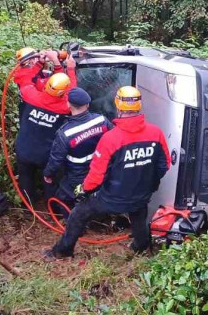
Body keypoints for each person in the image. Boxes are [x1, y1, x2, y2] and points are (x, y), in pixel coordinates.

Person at [45, 86, 170, 259]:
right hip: (141, 195)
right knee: (139, 217)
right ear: (139, 106)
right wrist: (148, 183)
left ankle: (62, 251)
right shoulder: (156, 133)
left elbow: (96, 177)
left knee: (78, 214)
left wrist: (82, 189)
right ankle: (141, 247)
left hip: (111, 198)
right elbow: (164, 165)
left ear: (118, 106)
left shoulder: (111, 139)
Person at [15, 50, 77, 206]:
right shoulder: (64, 107)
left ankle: (28, 205)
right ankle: (54, 208)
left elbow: (24, 79)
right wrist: (65, 68)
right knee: (49, 180)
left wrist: (39, 63)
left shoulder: (31, 96)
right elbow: (73, 93)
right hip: (46, 155)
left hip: (24, 148)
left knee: (25, 177)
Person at [42, 87, 113, 213]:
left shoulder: (65, 133)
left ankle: (73, 225)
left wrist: (48, 175)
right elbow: (114, 140)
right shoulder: (101, 120)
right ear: (87, 104)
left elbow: (56, 160)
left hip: (77, 176)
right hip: (101, 170)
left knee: (62, 198)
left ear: (68, 104)